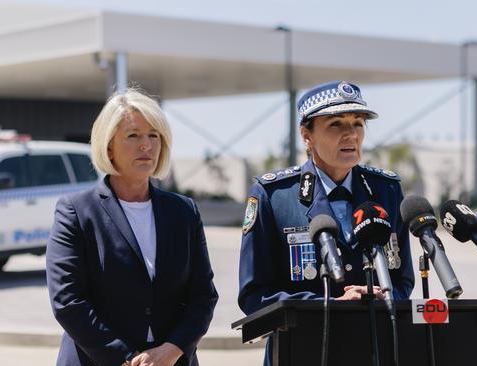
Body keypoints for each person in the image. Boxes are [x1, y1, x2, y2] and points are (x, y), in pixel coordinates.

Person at [238, 81, 414, 365]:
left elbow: (402, 278)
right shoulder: (274, 196)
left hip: (374, 351)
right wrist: (330, 306)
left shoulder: (386, 191)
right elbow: (253, 295)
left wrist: (380, 296)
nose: (351, 135)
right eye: (336, 125)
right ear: (306, 135)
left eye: (358, 124)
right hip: (302, 351)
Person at [47, 88, 218, 366]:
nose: (146, 146)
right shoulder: (76, 211)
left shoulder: (184, 212)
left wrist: (172, 350)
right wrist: (127, 360)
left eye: (154, 136)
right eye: (133, 135)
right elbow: (68, 301)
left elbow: (203, 295)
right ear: (108, 145)